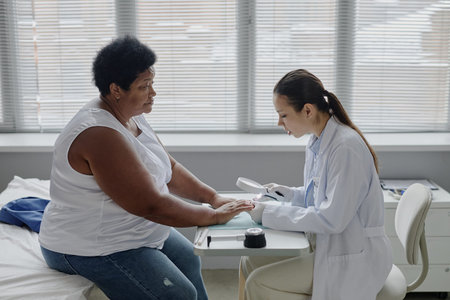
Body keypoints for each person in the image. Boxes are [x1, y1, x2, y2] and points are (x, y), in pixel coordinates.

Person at [38, 35, 253, 300]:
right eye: (145, 86)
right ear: (116, 89)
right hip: (91, 246)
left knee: (190, 260)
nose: (153, 93)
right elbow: (151, 204)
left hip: (134, 232)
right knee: (178, 294)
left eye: (152, 83)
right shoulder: (98, 134)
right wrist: (213, 216)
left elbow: (169, 168)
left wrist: (212, 197)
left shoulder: (132, 115)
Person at [240, 69, 393, 300]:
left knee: (257, 282)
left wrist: (268, 213)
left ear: (308, 110)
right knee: (248, 261)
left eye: (283, 115)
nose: (279, 122)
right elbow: (322, 197)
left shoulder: (345, 148)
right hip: (331, 245)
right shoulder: (317, 141)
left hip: (353, 257)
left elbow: (331, 218)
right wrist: (289, 195)